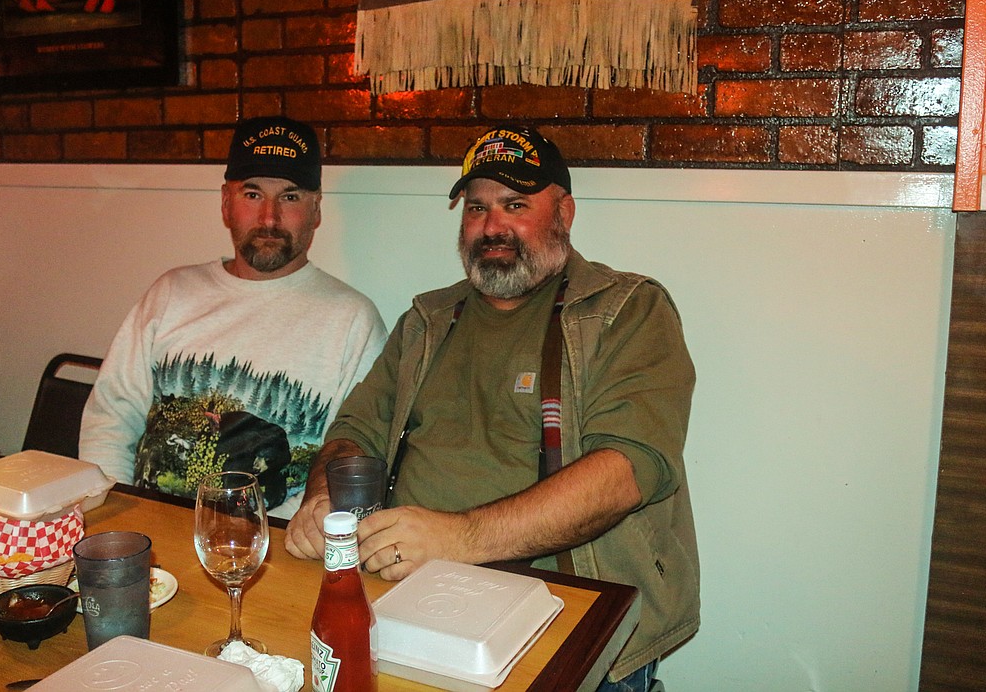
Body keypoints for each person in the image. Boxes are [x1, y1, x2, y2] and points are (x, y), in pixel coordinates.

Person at [286, 126, 699, 691]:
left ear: (565, 212)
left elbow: (629, 470)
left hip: (564, 611)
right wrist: (323, 496)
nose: (491, 226)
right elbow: (354, 431)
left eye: (515, 205)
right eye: (476, 208)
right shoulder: (427, 320)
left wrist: (461, 540)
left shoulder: (626, 310)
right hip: (405, 598)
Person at [79, 116, 388, 520]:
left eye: (290, 197)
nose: (269, 219)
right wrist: (122, 520)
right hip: (149, 532)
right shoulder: (171, 293)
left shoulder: (354, 322)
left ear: (316, 210)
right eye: (253, 194)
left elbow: (344, 465)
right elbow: (110, 420)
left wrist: (255, 545)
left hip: (271, 549)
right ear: (226, 202)